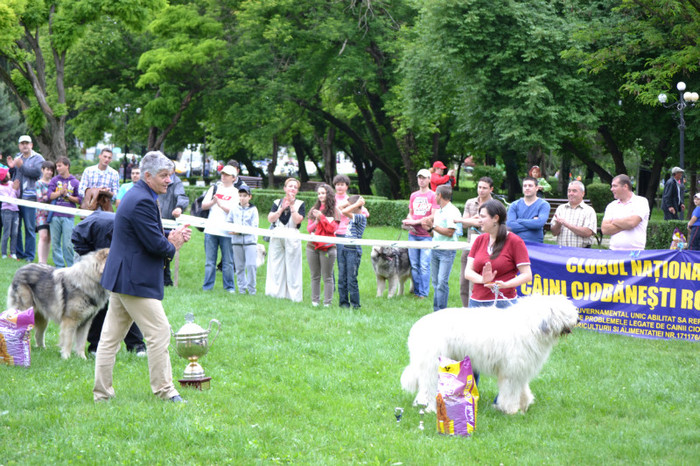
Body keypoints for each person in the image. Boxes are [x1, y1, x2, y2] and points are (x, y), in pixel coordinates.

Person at [94, 151, 192, 403]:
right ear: (147, 176)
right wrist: (174, 244)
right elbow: (155, 245)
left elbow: (148, 235)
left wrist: (168, 237)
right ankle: (165, 391)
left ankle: (101, 395)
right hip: (133, 280)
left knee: (109, 339)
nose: (168, 180)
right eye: (163, 176)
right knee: (159, 333)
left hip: (123, 277)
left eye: (169, 175)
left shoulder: (139, 195)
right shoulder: (142, 200)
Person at [71, 211, 146, 356]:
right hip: (89, 252)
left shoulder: (133, 235)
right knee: (97, 302)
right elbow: (77, 237)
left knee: (126, 299)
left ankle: (137, 346)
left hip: (113, 257)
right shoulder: (97, 225)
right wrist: (93, 261)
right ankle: (95, 346)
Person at [464, 199, 533, 308]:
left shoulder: (515, 241)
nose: (479, 220)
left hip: (503, 303)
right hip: (476, 302)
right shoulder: (479, 240)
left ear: (495, 218)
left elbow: (527, 275)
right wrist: (483, 280)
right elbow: (468, 272)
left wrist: (505, 285)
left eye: (483, 216)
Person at [421, 185, 462, 312]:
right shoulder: (438, 211)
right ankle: (436, 311)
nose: (434, 197)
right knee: (435, 283)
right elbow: (436, 233)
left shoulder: (452, 211)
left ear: (439, 195)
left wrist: (433, 226)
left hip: (447, 251)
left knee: (442, 283)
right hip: (435, 248)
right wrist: (429, 229)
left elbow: (450, 232)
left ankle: (441, 311)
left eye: (435, 195)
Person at [456, 176, 494, 306]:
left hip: (487, 248)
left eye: (485, 188)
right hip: (469, 247)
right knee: (463, 281)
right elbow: (465, 224)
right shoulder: (470, 202)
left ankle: (476, 309)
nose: (481, 190)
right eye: (479, 187)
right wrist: (471, 220)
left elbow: (492, 225)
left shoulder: (495, 205)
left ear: (491, 189)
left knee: (477, 283)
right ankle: (465, 308)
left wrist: (463, 220)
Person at [265, 177, 305, 302]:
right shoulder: (277, 202)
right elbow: (270, 219)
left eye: (295, 187)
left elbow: (298, 220)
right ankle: (275, 293)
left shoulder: (300, 203)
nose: (292, 188)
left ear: (297, 191)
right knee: (275, 264)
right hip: (277, 234)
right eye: (290, 186)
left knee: (293, 266)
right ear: (285, 188)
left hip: (292, 234)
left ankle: (294, 296)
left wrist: (292, 206)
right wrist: (281, 208)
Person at [402, 169, 438, 299]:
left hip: (426, 236)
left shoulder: (433, 195)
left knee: (424, 265)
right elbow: (410, 212)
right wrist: (409, 220)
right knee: (415, 265)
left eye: (424, 178)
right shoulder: (414, 195)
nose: (421, 180)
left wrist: (414, 221)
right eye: (419, 178)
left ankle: (423, 293)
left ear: (429, 179)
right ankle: (417, 291)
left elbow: (432, 216)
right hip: (413, 234)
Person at [201, 165, 238, 292]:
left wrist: (221, 205)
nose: (223, 176)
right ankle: (207, 287)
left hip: (227, 232)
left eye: (227, 174)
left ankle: (229, 288)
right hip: (211, 229)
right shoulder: (214, 188)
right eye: (222, 174)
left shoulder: (235, 192)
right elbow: (203, 206)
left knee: (228, 262)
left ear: (233, 178)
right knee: (209, 262)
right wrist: (213, 202)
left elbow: (235, 212)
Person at [334, 174, 369, 307]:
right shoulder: (353, 216)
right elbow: (340, 209)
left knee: (351, 279)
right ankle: (343, 303)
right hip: (344, 248)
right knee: (342, 276)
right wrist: (351, 202)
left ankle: (355, 305)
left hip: (353, 251)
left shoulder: (360, 218)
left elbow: (343, 212)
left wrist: (357, 203)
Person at [306, 183, 340, 307]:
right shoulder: (313, 210)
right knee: (315, 275)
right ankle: (315, 301)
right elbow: (309, 229)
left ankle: (327, 303)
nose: (320, 196)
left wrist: (322, 217)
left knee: (327, 276)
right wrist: (316, 221)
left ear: (328, 194)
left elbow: (332, 229)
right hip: (312, 246)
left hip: (328, 247)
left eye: (323, 193)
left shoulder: (335, 211)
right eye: (319, 193)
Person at [14, 135, 45, 262]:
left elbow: (37, 173)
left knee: (29, 227)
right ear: (19, 146)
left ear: (31, 145)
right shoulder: (18, 157)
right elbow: (15, 174)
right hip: (16, 197)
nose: (25, 145)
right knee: (16, 227)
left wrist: (21, 166)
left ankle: (29, 255)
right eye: (22, 143)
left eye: (27, 143)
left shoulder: (38, 158)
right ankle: (19, 253)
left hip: (30, 198)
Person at [601, 174, 650, 251]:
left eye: (615, 186)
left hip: (635, 253)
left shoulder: (641, 202)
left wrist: (614, 221)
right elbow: (605, 229)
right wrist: (625, 224)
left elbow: (632, 222)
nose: (611, 189)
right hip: (614, 252)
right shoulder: (611, 206)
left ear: (625, 186)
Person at [158, 171, 189, 286]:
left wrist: (179, 207)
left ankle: (166, 280)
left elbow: (182, 196)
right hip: (156, 221)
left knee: (167, 252)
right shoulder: (155, 179)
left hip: (169, 223)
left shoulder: (176, 182)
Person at [47, 157, 80, 268]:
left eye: (60, 165)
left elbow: (79, 200)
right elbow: (50, 196)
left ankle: (71, 267)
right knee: (55, 243)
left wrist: (67, 195)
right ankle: (59, 266)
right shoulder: (54, 180)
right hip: (55, 216)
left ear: (67, 166)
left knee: (68, 244)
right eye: (57, 166)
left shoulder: (75, 182)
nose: (57, 168)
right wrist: (60, 192)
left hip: (68, 217)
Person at [227, 185, 259, 295]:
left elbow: (254, 226)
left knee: (251, 266)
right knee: (239, 266)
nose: (242, 198)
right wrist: (231, 229)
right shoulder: (234, 208)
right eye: (240, 195)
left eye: (244, 196)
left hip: (250, 241)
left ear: (250, 197)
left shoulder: (254, 210)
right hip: (236, 241)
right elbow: (229, 222)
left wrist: (239, 231)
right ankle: (241, 289)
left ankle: (252, 290)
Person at [550, 180, 598, 248]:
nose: (571, 193)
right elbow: (554, 233)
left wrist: (567, 225)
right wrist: (558, 224)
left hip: (581, 251)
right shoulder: (561, 208)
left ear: (582, 193)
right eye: (569, 191)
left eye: (574, 191)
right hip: (561, 251)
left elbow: (588, 232)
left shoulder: (589, 210)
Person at [506, 176, 550, 243]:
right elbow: (510, 225)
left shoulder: (543, 205)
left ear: (537, 188)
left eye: (530, 186)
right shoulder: (514, 205)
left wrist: (518, 220)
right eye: (525, 186)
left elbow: (539, 223)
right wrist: (532, 223)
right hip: (516, 243)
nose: (527, 188)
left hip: (536, 244)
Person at [34, 161, 55, 265]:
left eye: (51, 170)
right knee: (43, 236)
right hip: (41, 214)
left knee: (49, 238)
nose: (50, 172)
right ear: (42, 170)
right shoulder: (38, 183)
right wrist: (52, 196)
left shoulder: (53, 183)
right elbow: (40, 198)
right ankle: (40, 261)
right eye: (48, 169)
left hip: (51, 214)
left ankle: (45, 262)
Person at [0, 169, 20, 259]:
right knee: (6, 233)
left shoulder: (12, 183)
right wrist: (14, 189)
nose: (9, 173)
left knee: (14, 233)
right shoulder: (1, 188)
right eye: (7, 173)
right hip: (6, 211)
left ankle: (13, 252)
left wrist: (17, 188)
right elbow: (8, 200)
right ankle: (4, 253)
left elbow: (17, 195)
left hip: (15, 211)